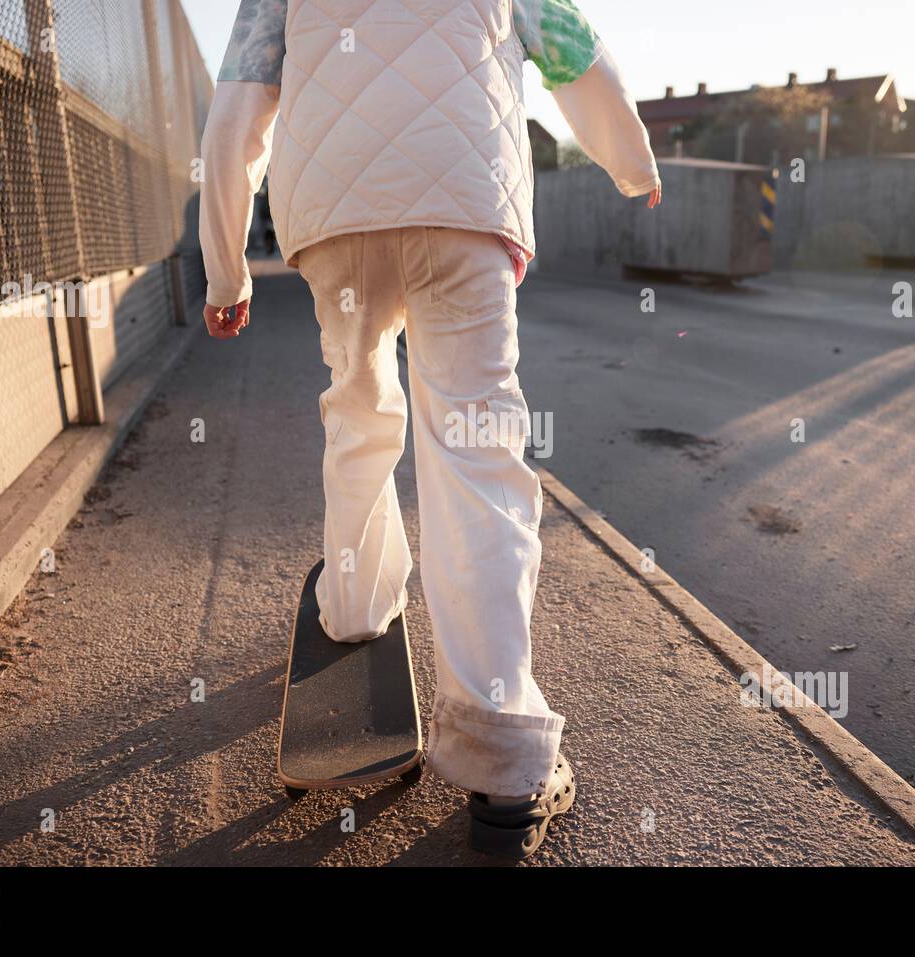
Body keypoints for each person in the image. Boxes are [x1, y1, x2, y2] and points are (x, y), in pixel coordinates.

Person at [199, 0, 660, 859]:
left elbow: (237, 109)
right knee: (478, 454)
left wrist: (227, 270)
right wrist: (632, 162)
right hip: (465, 203)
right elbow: (574, 56)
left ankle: (356, 602)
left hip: (335, 220)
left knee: (359, 413)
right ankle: (506, 762)